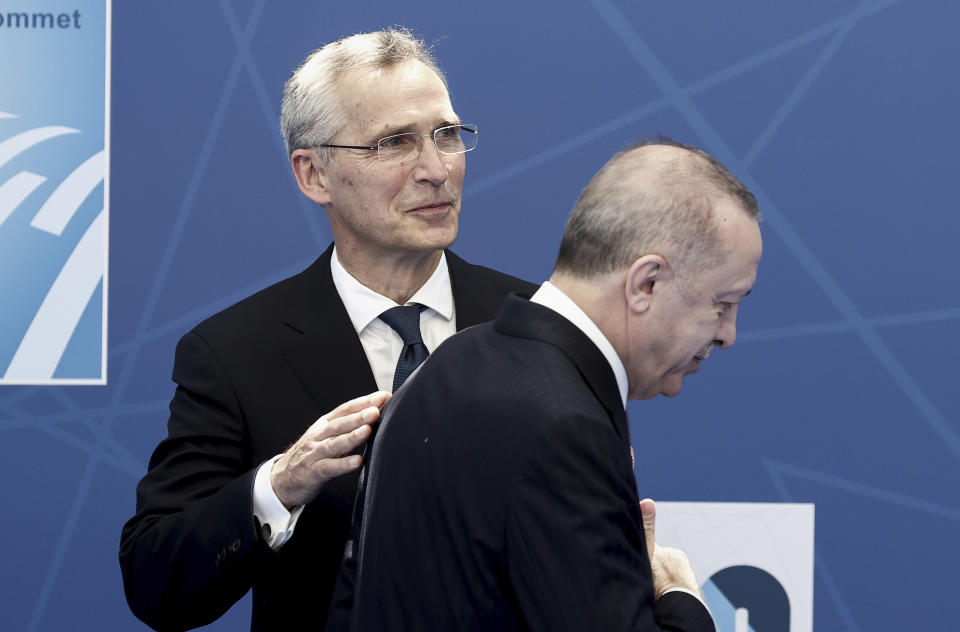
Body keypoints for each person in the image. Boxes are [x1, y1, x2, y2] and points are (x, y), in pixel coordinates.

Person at [118, 28, 535, 631]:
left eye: (446, 135)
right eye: (394, 142)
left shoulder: (538, 324)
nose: (436, 169)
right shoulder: (236, 354)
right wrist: (281, 485)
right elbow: (156, 582)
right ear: (314, 175)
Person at [341, 139, 763, 631]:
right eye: (723, 303)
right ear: (646, 283)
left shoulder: (444, 365)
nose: (728, 334)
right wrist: (682, 596)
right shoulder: (566, 427)